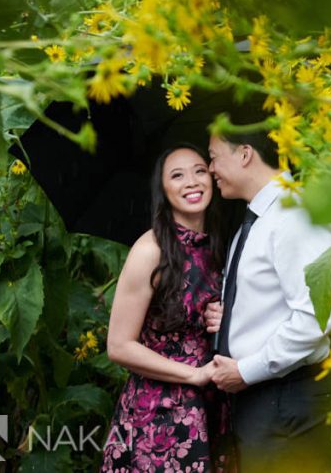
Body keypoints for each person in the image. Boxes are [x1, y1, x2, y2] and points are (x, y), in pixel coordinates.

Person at [204, 129, 331, 469]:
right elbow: (275, 303)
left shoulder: (296, 215)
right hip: (262, 400)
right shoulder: (256, 220)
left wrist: (246, 371)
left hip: (285, 398)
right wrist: (232, 318)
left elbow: (315, 318)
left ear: (245, 154)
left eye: (214, 157)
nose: (210, 169)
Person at [100, 145, 233, 472]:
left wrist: (224, 316)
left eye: (200, 170)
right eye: (177, 175)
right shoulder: (149, 251)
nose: (192, 182)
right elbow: (118, 346)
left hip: (210, 405)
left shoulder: (217, 244)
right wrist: (194, 374)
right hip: (158, 412)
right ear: (162, 189)